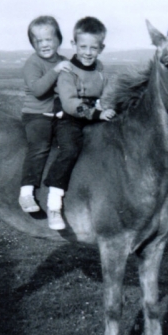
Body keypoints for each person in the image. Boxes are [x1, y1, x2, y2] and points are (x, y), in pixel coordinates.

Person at [43, 16, 116, 230]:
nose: (87, 52)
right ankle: (54, 203)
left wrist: (109, 107)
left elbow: (105, 92)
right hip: (69, 118)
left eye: (93, 48)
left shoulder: (100, 69)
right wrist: (96, 114)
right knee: (70, 149)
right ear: (74, 44)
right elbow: (69, 103)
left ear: (101, 48)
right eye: (83, 46)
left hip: (92, 116)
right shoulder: (67, 70)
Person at [18, 16, 74, 213]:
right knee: (40, 145)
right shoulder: (33, 63)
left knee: (73, 142)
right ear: (32, 44)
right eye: (38, 41)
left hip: (60, 115)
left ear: (58, 39)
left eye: (48, 39)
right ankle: (26, 192)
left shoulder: (65, 61)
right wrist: (56, 71)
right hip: (36, 114)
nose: (43, 44)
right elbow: (38, 90)